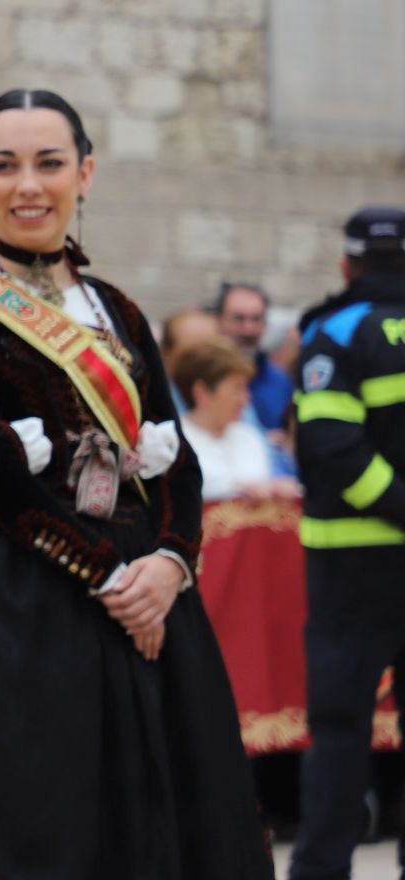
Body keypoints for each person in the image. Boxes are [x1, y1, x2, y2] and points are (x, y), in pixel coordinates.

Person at [0, 88, 270, 880]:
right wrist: (111, 577)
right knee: (42, 817)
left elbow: (176, 454)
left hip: (147, 587)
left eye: (49, 164)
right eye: (6, 167)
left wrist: (170, 564)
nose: (29, 186)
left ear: (85, 172)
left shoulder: (117, 309)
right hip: (18, 587)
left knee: (174, 810)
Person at [288, 206, 405, 880]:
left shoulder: (334, 331)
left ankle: (322, 870)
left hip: (350, 570)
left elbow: (332, 447)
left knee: (339, 731)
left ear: (347, 264)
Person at [168, 340, 297, 501]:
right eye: (237, 388)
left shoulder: (249, 437)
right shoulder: (172, 440)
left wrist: (281, 488)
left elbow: (279, 482)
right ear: (201, 392)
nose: (246, 399)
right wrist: (236, 488)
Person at [216, 281, 296, 436]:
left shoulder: (280, 382)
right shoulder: (200, 377)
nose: (248, 330)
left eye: (256, 319)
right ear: (218, 321)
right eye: (238, 319)